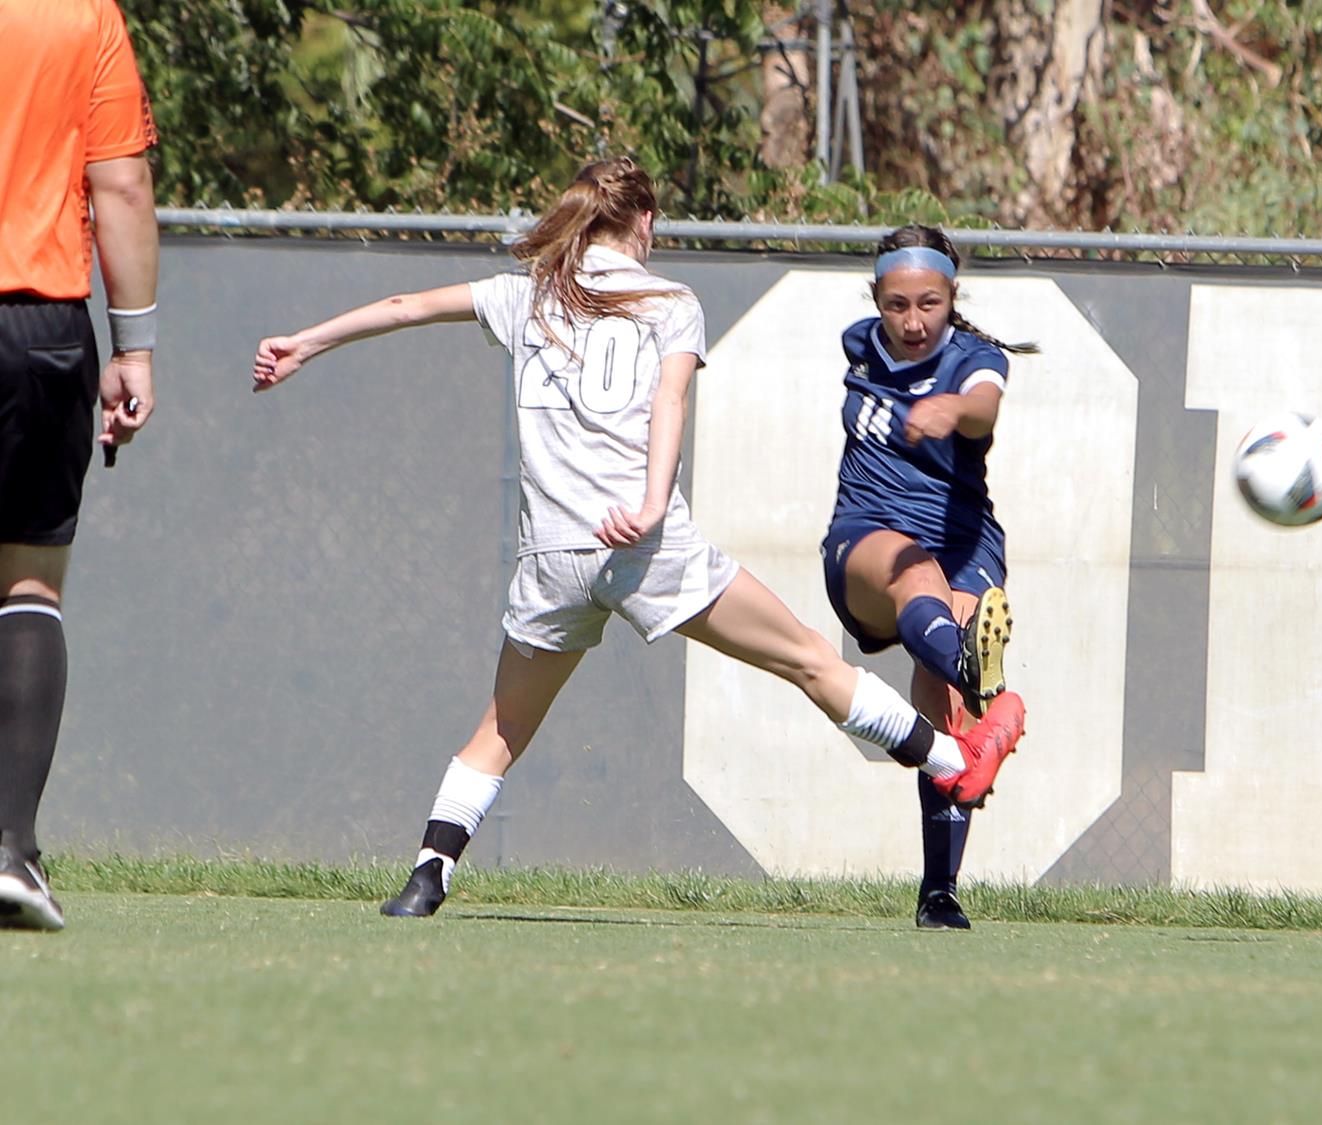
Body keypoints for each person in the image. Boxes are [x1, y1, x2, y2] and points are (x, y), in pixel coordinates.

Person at [249, 159, 1025, 918]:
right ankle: (956, 757)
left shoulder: (525, 293)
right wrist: (653, 504)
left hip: (553, 557)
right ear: (645, 221)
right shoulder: (669, 301)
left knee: (501, 729)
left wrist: (305, 343)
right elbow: (668, 401)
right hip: (646, 550)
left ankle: (428, 876)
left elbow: (403, 305)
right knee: (810, 660)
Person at [819, 225, 1034, 930]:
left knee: (951, 724)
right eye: (897, 304)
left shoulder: (975, 359)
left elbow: (984, 403)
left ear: (953, 296)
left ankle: (939, 892)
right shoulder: (860, 343)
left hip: (964, 540)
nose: (913, 321)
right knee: (915, 577)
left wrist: (955, 409)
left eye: (929, 304)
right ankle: (975, 669)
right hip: (867, 533)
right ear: (876, 299)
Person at [0, 0, 159, 931]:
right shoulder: (81, 11)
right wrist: (133, 346)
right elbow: (122, 185)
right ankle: (10, 850)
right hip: (39, 327)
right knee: (27, 582)